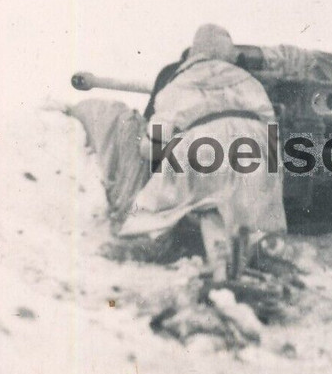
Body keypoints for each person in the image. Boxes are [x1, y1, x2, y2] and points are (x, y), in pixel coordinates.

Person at [118, 24, 286, 270]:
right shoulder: (250, 82)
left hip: (203, 146)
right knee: (251, 208)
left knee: (161, 206)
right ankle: (256, 247)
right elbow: (272, 128)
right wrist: (273, 173)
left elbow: (152, 147)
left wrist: (157, 153)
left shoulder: (179, 83)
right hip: (255, 146)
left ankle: (155, 242)